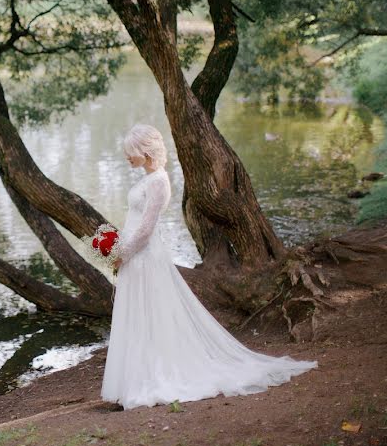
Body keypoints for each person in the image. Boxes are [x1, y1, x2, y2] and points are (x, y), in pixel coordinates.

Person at [100, 124, 317, 410]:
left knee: (151, 313)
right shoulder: (146, 179)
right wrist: (115, 248)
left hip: (144, 256)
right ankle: (133, 379)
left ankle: (153, 378)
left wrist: (122, 254)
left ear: (145, 151)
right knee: (137, 315)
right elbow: (134, 224)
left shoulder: (159, 182)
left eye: (131, 152)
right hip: (133, 258)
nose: (128, 157)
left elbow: (146, 229)